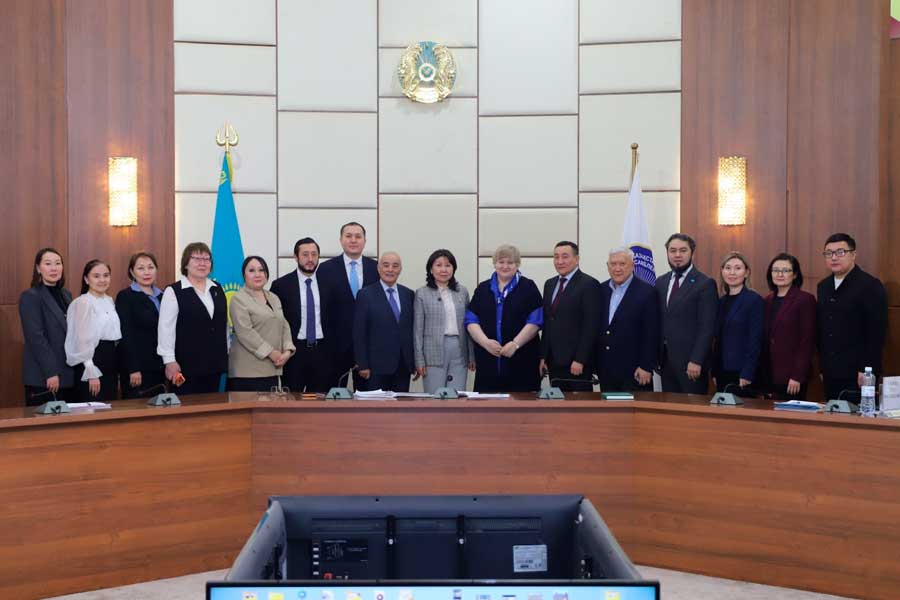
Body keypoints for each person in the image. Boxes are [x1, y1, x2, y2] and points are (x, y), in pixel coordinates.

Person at [816, 233, 887, 401]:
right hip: (831, 370)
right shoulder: (823, 286)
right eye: (829, 253)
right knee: (832, 413)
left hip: (859, 372)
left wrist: (867, 369)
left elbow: (877, 332)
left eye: (840, 252)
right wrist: (822, 367)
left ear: (853, 254)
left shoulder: (870, 285)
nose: (834, 257)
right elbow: (822, 329)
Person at [465, 244, 543, 392]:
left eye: (510, 262)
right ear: (495, 263)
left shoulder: (528, 287)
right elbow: (471, 320)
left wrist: (515, 344)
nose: (505, 266)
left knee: (521, 404)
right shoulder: (483, 288)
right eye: (501, 262)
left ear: (517, 264)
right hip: (488, 361)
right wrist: (485, 342)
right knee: (488, 404)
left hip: (522, 360)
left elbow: (536, 321)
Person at [157, 242, 229, 395]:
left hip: (215, 364)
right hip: (185, 366)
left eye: (206, 259)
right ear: (186, 264)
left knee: (214, 406)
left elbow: (222, 325)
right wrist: (169, 361)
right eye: (196, 258)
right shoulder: (174, 291)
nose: (202, 263)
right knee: (187, 406)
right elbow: (165, 329)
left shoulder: (217, 288)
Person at [316, 222, 378, 388]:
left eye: (358, 236)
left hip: (368, 346)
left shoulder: (376, 268)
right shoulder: (325, 269)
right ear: (341, 240)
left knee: (367, 397)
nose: (353, 240)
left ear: (365, 240)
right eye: (348, 236)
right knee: (334, 396)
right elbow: (321, 309)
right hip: (335, 346)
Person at [655, 233, 717, 394]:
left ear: (692, 253)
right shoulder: (661, 282)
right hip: (665, 363)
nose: (677, 255)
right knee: (669, 407)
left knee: (692, 407)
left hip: (691, 365)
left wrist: (697, 360)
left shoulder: (705, 284)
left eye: (683, 250)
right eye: (672, 250)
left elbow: (707, 327)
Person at [270, 237, 331, 393]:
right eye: (305, 254)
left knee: (320, 399)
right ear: (296, 257)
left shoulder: (330, 283)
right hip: (293, 352)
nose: (310, 259)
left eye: (314, 254)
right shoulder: (281, 285)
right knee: (292, 399)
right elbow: (275, 322)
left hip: (322, 351)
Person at [596, 247, 659, 392]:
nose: (617, 268)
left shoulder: (647, 292)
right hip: (606, 370)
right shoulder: (601, 289)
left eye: (622, 264)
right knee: (608, 406)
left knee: (637, 407)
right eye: (613, 264)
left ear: (632, 265)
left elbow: (651, 332)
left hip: (635, 371)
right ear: (607, 266)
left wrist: (646, 366)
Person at [539, 241, 600, 391]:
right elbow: (548, 322)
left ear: (577, 259)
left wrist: (580, 359)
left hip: (577, 364)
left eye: (565, 257)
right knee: (557, 403)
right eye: (556, 257)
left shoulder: (589, 284)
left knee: (579, 405)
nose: (560, 261)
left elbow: (591, 326)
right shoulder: (549, 284)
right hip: (553, 362)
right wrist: (543, 356)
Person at [228, 256, 295, 391]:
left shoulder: (274, 297)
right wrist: (271, 353)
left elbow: (284, 325)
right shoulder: (238, 299)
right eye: (252, 270)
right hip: (247, 373)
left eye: (261, 270)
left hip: (273, 369)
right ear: (244, 275)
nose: (257, 274)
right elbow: (245, 332)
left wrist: (288, 351)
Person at [19, 248, 76, 406]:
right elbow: (36, 338)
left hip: (67, 375)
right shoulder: (30, 296)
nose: (54, 268)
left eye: (58, 263)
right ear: (38, 268)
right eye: (48, 264)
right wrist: (51, 372)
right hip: (44, 377)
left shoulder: (66, 294)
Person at [413, 249, 475, 394]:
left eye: (448, 265)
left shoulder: (462, 291)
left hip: (459, 349)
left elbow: (469, 326)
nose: (443, 270)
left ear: (453, 268)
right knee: (435, 396)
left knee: (456, 394)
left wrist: (471, 355)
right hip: (432, 351)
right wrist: (419, 360)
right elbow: (417, 330)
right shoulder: (422, 293)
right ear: (431, 269)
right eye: (439, 265)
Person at [353, 252, 415, 392]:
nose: (390, 269)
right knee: (376, 405)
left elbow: (411, 330)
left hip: (402, 366)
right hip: (375, 367)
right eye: (386, 265)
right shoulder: (365, 294)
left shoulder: (408, 294)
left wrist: (413, 362)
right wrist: (363, 364)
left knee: (401, 405)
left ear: (400, 269)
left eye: (395, 266)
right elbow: (359, 332)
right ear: (379, 268)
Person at [761, 253, 816, 400]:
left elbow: (807, 341)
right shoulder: (767, 300)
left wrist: (797, 375)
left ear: (795, 274)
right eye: (775, 270)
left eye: (785, 270)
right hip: (769, 373)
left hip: (792, 376)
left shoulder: (805, 300)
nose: (780, 274)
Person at [65, 259, 122, 401]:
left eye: (106, 275)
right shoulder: (83, 302)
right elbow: (81, 340)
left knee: (110, 407)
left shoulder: (109, 300)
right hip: (92, 361)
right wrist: (90, 370)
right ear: (86, 279)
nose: (102, 280)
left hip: (110, 359)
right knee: (92, 407)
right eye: (96, 276)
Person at [710, 252, 764, 395]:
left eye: (738, 268)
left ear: (746, 273)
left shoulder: (754, 300)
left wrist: (748, 372)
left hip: (742, 373)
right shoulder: (720, 302)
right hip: (722, 371)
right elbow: (718, 340)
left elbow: (755, 340)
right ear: (722, 271)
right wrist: (714, 370)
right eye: (728, 268)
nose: (732, 272)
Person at [115, 251, 165, 399]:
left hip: (160, 366)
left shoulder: (164, 295)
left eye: (150, 267)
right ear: (132, 272)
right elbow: (126, 334)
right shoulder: (126, 296)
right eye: (141, 268)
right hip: (138, 370)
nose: (146, 272)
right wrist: (133, 368)